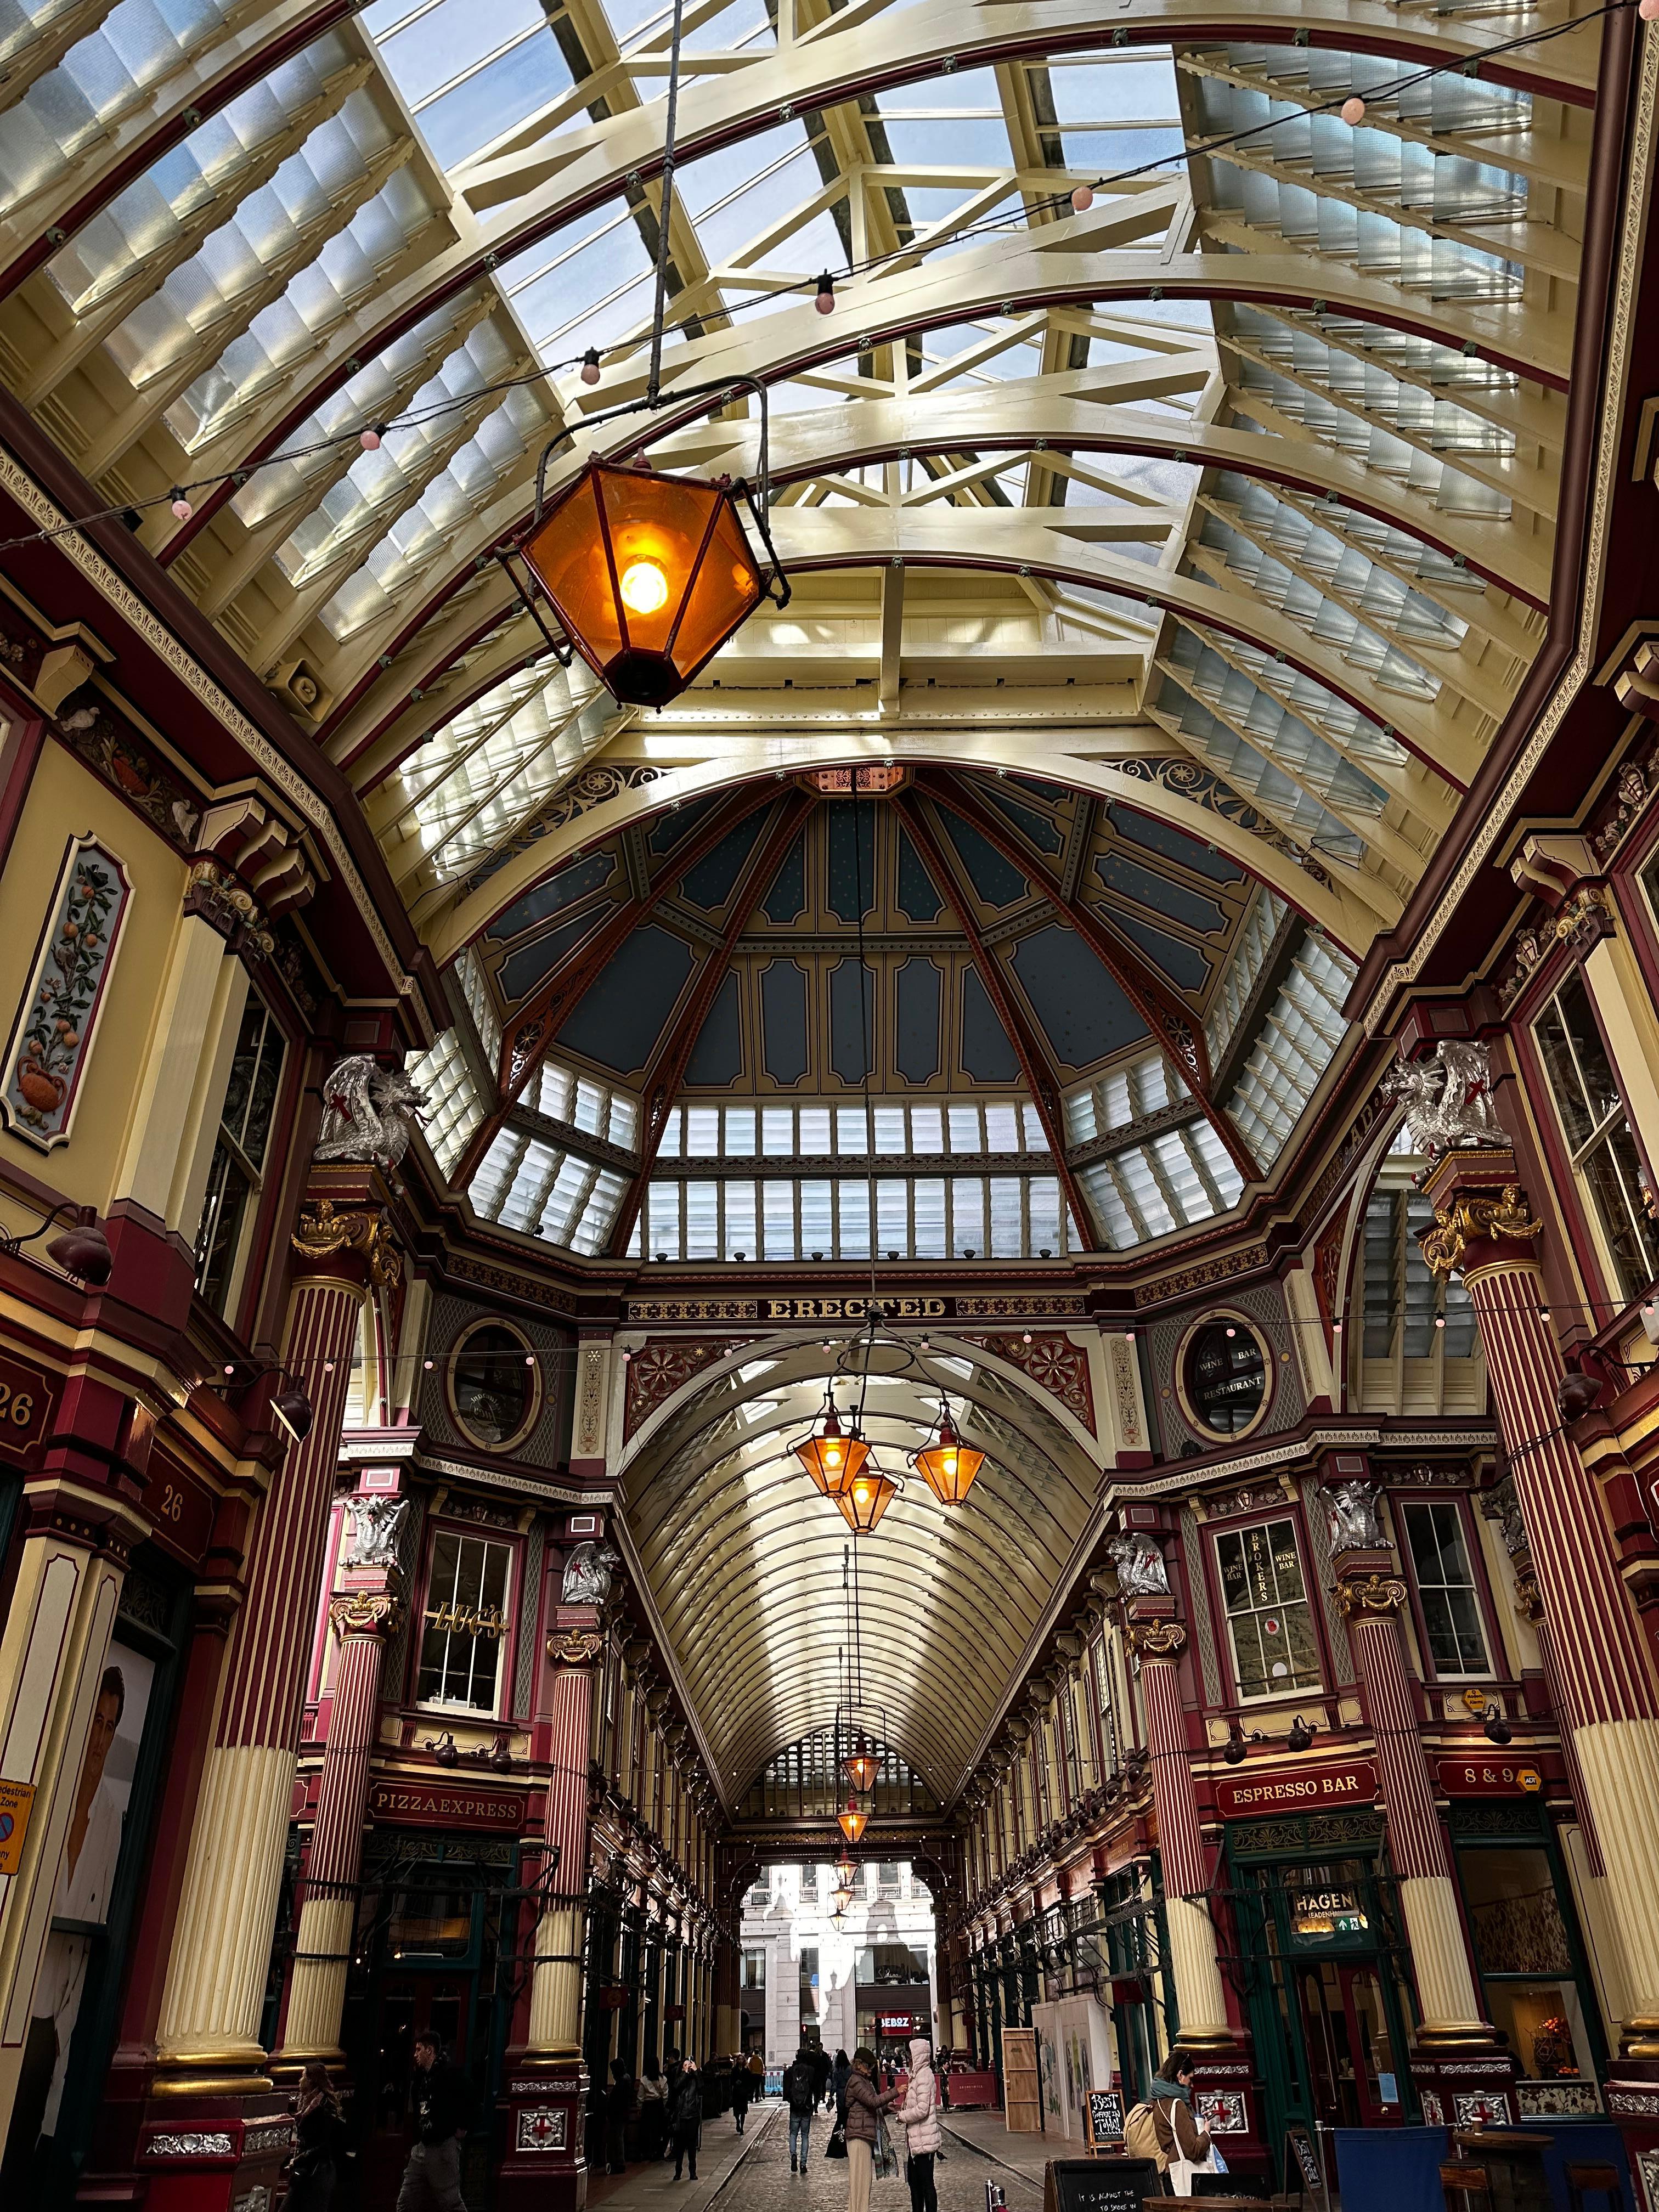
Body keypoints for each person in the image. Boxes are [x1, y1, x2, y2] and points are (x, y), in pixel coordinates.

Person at [396, 2030, 471, 2212]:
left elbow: (470, 2101)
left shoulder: (450, 2075)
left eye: (419, 2050)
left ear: (430, 2051)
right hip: (423, 2147)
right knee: (406, 2202)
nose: (415, 2055)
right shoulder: (422, 2078)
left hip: (443, 2146)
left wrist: (463, 2128)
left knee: (450, 2202)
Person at [1139, 2054, 1214, 2196]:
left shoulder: (1158, 2102)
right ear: (1180, 2075)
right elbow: (1192, 2151)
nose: (1192, 2085)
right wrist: (1206, 2133)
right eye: (1190, 2079)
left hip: (1171, 2174)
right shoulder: (1177, 2105)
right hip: (1185, 2178)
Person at [843, 2047, 900, 2212]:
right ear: (859, 2065)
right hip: (858, 2136)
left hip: (863, 2134)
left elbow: (872, 2108)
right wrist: (896, 2091)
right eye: (868, 2066)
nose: (870, 2070)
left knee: (863, 2182)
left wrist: (888, 2108)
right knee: (859, 2182)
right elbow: (873, 2102)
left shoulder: (863, 2081)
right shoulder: (856, 2081)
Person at [287, 2061, 346, 2212]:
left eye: (303, 2077)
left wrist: (298, 2160)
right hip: (305, 2168)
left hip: (318, 2171)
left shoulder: (325, 2106)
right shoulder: (305, 2103)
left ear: (311, 2080)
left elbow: (324, 2145)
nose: (300, 2081)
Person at [895, 2038, 941, 2212]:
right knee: (915, 2184)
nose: (908, 2058)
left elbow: (922, 2109)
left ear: (918, 2056)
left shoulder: (925, 2077)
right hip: (916, 2141)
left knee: (926, 2183)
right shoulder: (916, 2076)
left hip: (924, 2140)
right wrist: (904, 2107)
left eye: (911, 2054)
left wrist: (902, 2116)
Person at [784, 2043, 817, 2172]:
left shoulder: (791, 2071)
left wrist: (791, 2099)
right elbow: (814, 2087)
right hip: (806, 2106)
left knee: (793, 2134)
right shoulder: (810, 2070)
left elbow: (786, 2090)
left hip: (795, 2107)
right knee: (805, 2135)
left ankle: (793, 2155)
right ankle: (803, 2163)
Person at [669, 2057, 703, 2181]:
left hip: (693, 2115)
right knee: (680, 2145)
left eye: (689, 2065)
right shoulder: (679, 2077)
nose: (688, 2066)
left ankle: (692, 2172)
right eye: (685, 2065)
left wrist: (696, 2071)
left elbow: (701, 2087)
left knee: (692, 2145)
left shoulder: (695, 2078)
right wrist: (685, 2073)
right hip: (681, 2116)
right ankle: (678, 2171)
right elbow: (676, 2087)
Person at [607, 2057, 636, 2174]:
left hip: (618, 2114)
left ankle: (619, 2162)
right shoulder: (627, 2078)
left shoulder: (622, 2082)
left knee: (617, 2137)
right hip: (623, 2113)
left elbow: (616, 2099)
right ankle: (618, 2161)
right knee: (619, 2137)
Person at [640, 2056, 669, 2162]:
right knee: (659, 2130)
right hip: (659, 2106)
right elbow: (666, 2095)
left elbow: (641, 2096)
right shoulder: (663, 2079)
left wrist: (640, 2108)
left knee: (648, 2130)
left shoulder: (644, 2080)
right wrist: (665, 2108)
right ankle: (658, 2152)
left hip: (648, 2107)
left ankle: (649, 2152)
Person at [730, 2050, 752, 2134]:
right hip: (736, 2093)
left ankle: (742, 2128)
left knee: (743, 2111)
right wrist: (735, 2082)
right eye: (739, 2059)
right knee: (736, 2111)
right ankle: (738, 2121)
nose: (740, 2061)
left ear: (744, 2061)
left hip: (743, 2093)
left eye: (742, 2059)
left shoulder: (746, 2071)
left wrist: (748, 2091)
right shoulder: (734, 2070)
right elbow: (731, 2080)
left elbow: (749, 2081)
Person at [812, 2041, 832, 2112]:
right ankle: (817, 2101)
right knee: (817, 2088)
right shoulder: (816, 2055)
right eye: (819, 2047)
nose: (821, 2048)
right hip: (817, 2074)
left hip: (823, 2074)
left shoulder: (824, 2055)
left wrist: (828, 2071)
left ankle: (822, 2098)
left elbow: (828, 2063)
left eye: (821, 2047)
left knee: (823, 2086)